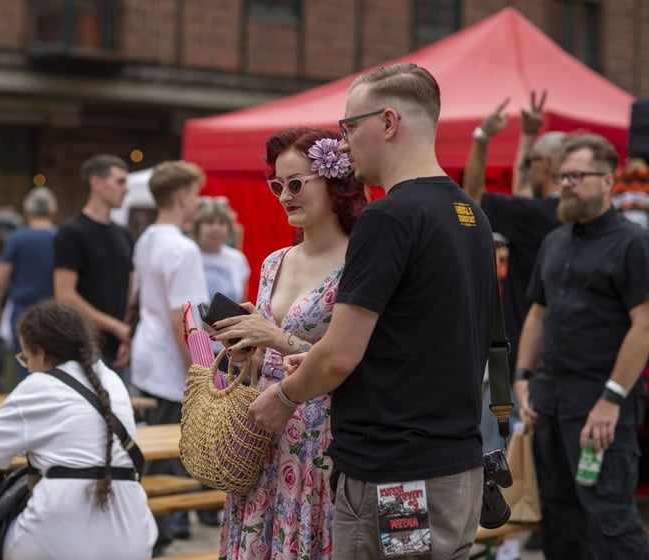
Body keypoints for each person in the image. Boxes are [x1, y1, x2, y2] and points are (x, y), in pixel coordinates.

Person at [248, 63, 495, 560]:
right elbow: (418, 340)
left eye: (348, 126)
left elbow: (341, 354)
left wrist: (284, 396)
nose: (342, 144)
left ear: (387, 122)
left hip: (394, 478)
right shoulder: (469, 213)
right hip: (458, 466)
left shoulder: (389, 216)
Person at [212, 128, 365, 559]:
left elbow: (350, 359)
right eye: (277, 185)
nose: (284, 196)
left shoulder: (359, 262)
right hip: (261, 434)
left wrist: (273, 335)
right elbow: (264, 356)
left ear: (336, 181)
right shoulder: (273, 262)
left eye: (296, 184)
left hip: (322, 437)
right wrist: (247, 347)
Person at [513, 133, 649, 558]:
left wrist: (612, 398)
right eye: (563, 175)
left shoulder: (631, 242)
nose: (566, 183)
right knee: (559, 521)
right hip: (550, 403)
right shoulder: (555, 241)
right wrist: (522, 377)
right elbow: (538, 311)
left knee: (610, 522)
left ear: (608, 180)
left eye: (578, 175)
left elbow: (644, 325)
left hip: (600, 407)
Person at [0, 300, 157, 560]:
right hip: (132, 532)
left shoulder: (37, 385)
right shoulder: (110, 379)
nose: (27, 365)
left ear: (40, 353)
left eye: (25, 357)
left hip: (57, 530)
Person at [129, 160, 209, 554]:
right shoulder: (182, 247)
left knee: (152, 459)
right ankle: (155, 540)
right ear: (181, 197)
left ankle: (152, 535)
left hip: (148, 357)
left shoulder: (147, 238)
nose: (198, 203)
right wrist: (204, 371)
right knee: (165, 462)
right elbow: (186, 320)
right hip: (168, 366)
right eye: (195, 194)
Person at [463, 94, 565, 374]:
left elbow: (473, 194)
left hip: (522, 356)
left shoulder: (535, 214)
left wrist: (482, 136)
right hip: (561, 353)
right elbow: (522, 191)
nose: (524, 170)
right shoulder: (566, 214)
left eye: (529, 163)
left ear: (545, 165)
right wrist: (529, 136)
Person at [54, 155, 134, 382]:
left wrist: (127, 333)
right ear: (96, 183)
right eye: (119, 182)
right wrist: (116, 327)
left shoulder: (124, 234)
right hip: (83, 348)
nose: (126, 189)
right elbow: (65, 295)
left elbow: (130, 289)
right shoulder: (72, 232)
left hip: (118, 349)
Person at [0, 187, 58, 379]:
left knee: (26, 367)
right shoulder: (61, 238)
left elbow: (0, 279)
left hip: (23, 311)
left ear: (27, 211)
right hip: (55, 311)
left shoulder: (18, 238)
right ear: (53, 212)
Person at [191, 196, 250, 357]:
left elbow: (242, 303)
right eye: (209, 222)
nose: (216, 228)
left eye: (222, 223)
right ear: (197, 227)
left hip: (228, 347)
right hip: (195, 346)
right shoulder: (189, 256)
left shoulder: (237, 259)